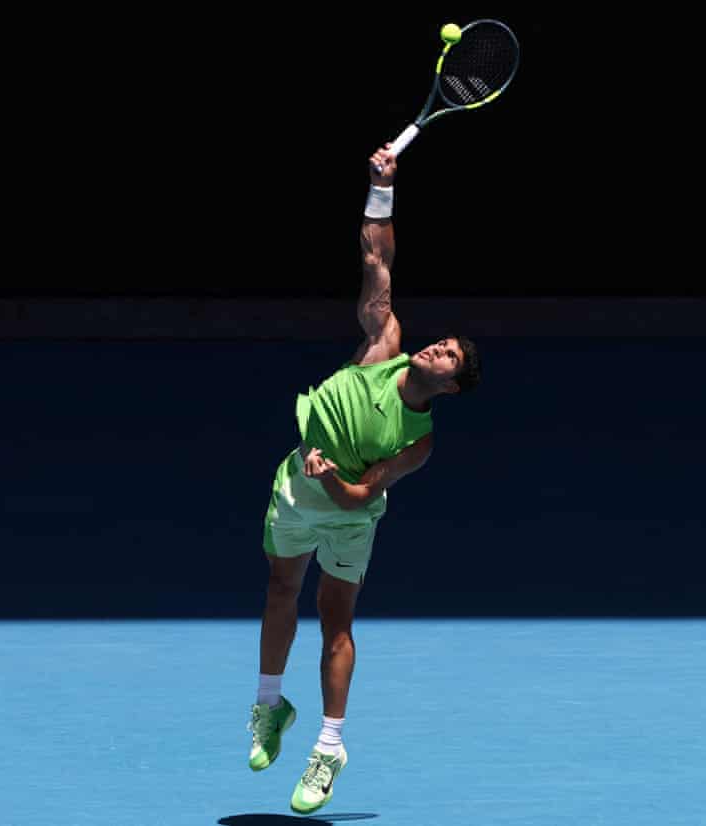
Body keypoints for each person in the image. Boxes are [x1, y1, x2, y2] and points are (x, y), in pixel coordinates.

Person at [246, 144, 481, 815]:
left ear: (452, 387)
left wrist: (330, 481)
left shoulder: (419, 442)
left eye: (451, 358)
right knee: (279, 590)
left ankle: (328, 748)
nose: (438, 347)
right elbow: (377, 260)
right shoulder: (383, 345)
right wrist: (382, 188)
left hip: (345, 511)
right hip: (296, 486)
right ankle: (269, 706)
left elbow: (359, 494)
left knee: (335, 623)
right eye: (443, 342)